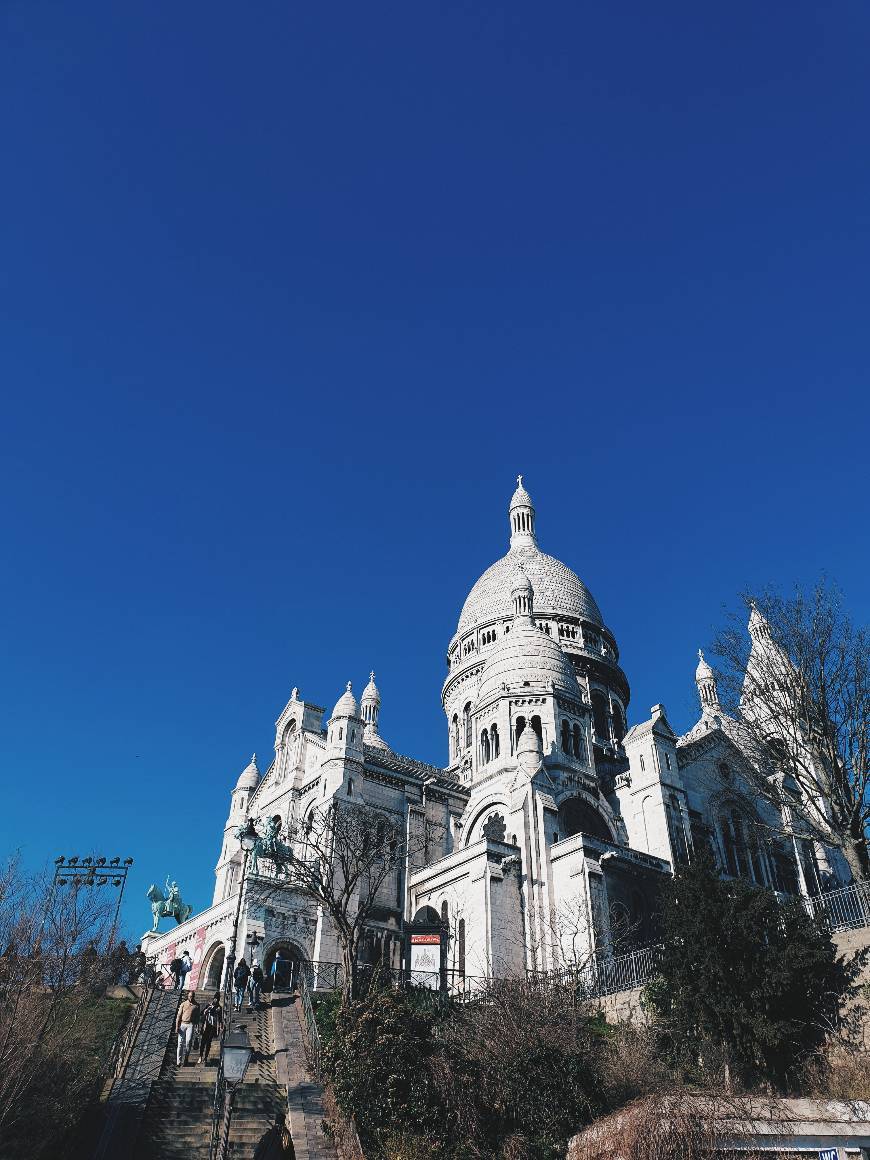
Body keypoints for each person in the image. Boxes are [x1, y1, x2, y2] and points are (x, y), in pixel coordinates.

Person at [175, 990, 200, 1066]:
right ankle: (178, 1061)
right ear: (187, 996)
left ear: (194, 996)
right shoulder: (183, 1004)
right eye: (189, 996)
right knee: (180, 1043)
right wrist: (177, 1026)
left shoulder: (196, 1005)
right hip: (183, 1023)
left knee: (188, 1042)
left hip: (191, 1024)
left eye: (192, 996)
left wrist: (197, 1028)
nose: (190, 998)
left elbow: (197, 1018)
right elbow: (178, 1016)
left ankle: (186, 1059)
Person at [197, 993, 223, 1064]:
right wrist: (206, 1010)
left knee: (209, 1042)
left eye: (217, 999)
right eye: (215, 998)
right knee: (203, 1041)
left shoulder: (219, 1008)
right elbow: (201, 1013)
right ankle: (200, 1056)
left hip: (213, 1026)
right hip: (206, 1025)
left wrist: (221, 1025)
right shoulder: (208, 1005)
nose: (216, 1000)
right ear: (213, 998)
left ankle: (205, 1057)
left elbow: (220, 1018)